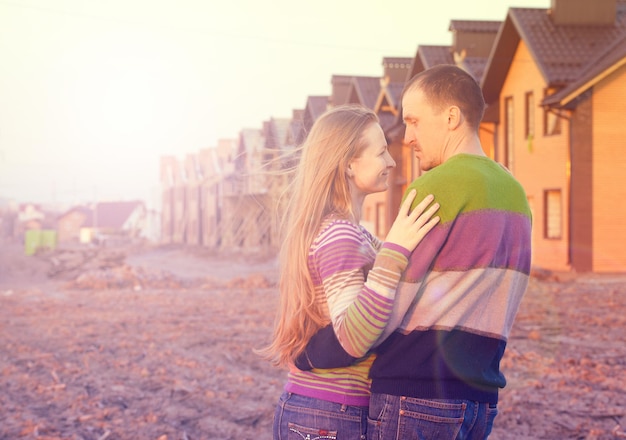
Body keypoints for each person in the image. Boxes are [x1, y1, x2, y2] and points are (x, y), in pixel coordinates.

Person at [297, 65, 533, 440]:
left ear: (451, 117)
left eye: (415, 121)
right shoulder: (517, 195)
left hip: (415, 396)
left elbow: (387, 310)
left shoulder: (433, 188)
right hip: (481, 400)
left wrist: (317, 351)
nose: (407, 138)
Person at [259, 104, 441, 440]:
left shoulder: (352, 233)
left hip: (324, 411)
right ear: (348, 164)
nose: (391, 161)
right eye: (382, 152)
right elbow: (353, 337)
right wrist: (396, 250)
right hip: (328, 414)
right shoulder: (340, 235)